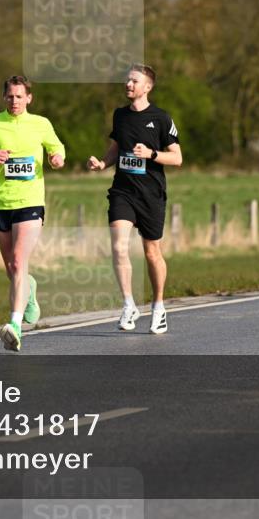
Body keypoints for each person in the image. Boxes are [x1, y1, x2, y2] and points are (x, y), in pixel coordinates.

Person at [0, 75, 65, 351]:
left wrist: (57, 159)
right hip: (1, 204)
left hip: (30, 201)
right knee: (12, 268)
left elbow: (57, 148)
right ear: (4, 97)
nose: (14, 101)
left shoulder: (41, 124)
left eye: (19, 96)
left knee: (20, 262)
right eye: (10, 96)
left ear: (29, 98)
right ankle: (30, 293)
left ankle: (15, 326)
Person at [87, 64, 182, 334]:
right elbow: (116, 148)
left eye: (134, 81)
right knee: (118, 247)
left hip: (151, 194)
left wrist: (151, 154)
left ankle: (159, 307)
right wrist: (102, 163)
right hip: (123, 191)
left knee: (152, 252)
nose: (128, 84)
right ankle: (129, 305)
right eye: (127, 80)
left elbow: (177, 157)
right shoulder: (120, 116)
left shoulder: (161, 118)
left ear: (147, 87)